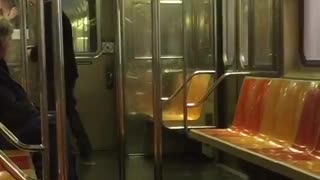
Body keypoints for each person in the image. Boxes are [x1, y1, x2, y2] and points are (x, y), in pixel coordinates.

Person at [0, 17, 78, 180]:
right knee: (54, 126)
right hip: (8, 132)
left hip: (10, 126)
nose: (9, 45)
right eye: (8, 40)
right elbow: (12, 110)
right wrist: (33, 111)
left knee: (55, 120)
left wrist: (33, 110)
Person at [29, 0, 93, 161]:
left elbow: (49, 43)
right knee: (68, 109)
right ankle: (81, 147)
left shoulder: (49, 15)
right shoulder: (55, 14)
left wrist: (34, 54)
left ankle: (67, 150)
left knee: (56, 110)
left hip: (59, 72)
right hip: (64, 71)